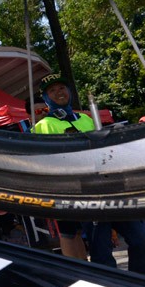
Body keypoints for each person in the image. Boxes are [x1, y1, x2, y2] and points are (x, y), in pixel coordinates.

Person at [30, 73, 93, 260]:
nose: (59, 93)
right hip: (64, 187)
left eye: (62, 88)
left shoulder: (86, 119)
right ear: (46, 97)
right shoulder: (43, 125)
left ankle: (88, 268)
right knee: (69, 231)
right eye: (52, 90)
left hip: (92, 183)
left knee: (90, 231)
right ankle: (79, 272)